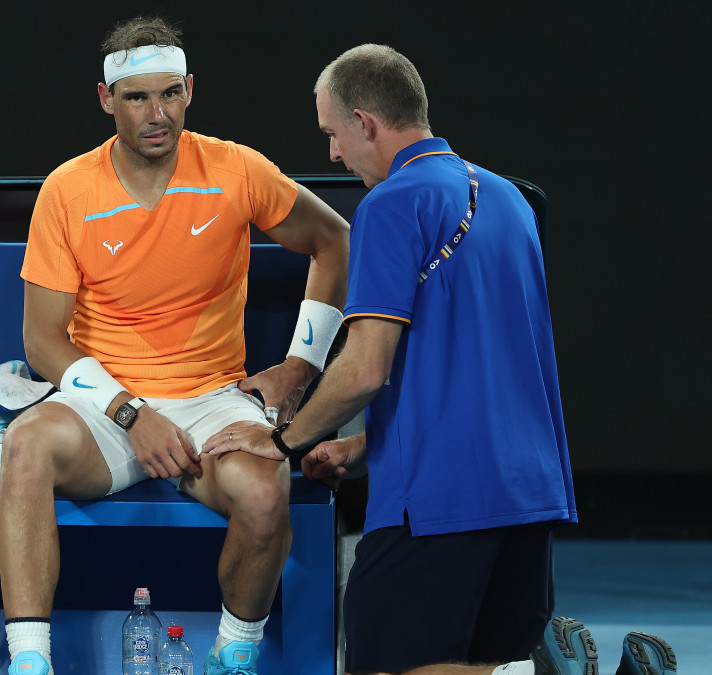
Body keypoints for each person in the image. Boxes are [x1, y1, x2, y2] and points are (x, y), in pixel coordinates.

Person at [204, 44, 677, 675]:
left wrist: (284, 442)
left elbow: (367, 367)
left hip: (439, 499)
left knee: (382, 665)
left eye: (333, 135)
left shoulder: (392, 204)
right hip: (530, 492)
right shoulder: (512, 200)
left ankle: (542, 673)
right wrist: (363, 447)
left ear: (364, 122)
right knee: (478, 659)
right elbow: (478, 362)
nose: (333, 155)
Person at [0, 16, 350, 675]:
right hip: (106, 408)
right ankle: (30, 663)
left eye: (170, 94)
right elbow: (43, 341)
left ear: (189, 89)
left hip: (213, 399)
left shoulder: (237, 169)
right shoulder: (68, 189)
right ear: (106, 100)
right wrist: (131, 411)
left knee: (267, 492)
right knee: (26, 444)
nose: (158, 115)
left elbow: (335, 241)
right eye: (136, 97)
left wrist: (300, 366)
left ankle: (231, 659)